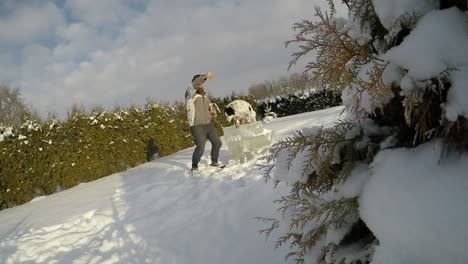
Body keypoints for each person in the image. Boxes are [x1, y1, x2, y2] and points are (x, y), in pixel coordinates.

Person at [185, 72, 222, 171]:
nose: (203, 85)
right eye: (201, 83)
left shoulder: (205, 96)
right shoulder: (190, 95)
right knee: (201, 147)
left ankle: (214, 162)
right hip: (197, 125)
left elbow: (209, 108)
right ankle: (194, 166)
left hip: (208, 124)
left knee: (217, 143)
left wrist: (213, 112)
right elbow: (194, 85)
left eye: (203, 84)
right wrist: (205, 76)